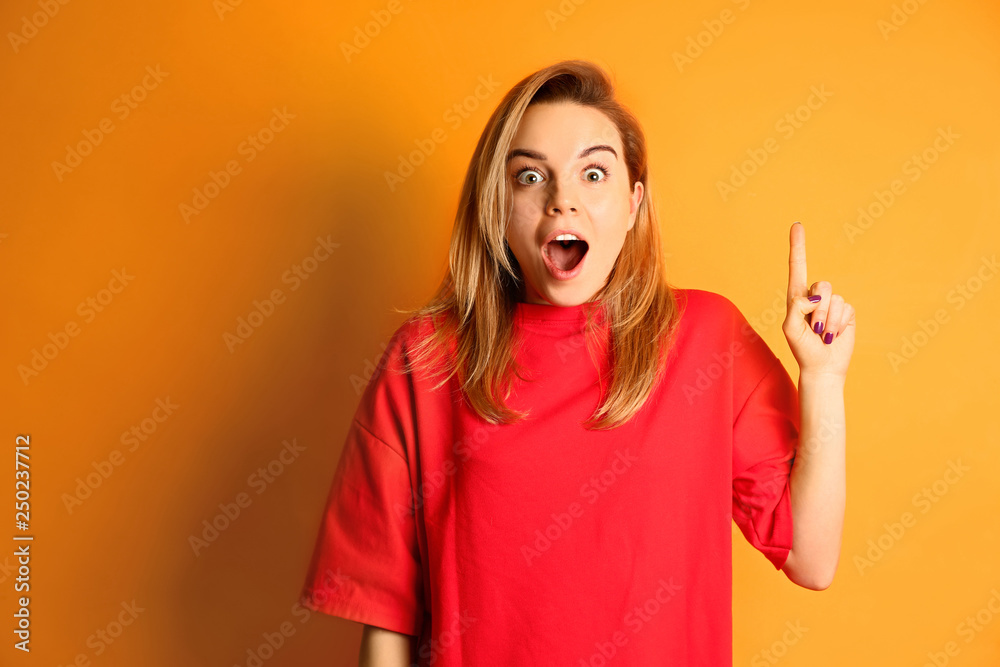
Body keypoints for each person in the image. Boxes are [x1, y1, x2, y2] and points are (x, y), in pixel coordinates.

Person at [298, 59, 854, 666]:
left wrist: (823, 379)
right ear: (496, 206)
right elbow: (386, 616)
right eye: (531, 177)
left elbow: (812, 557)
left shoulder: (707, 339)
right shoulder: (427, 358)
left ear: (634, 202)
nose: (564, 202)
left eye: (594, 173)